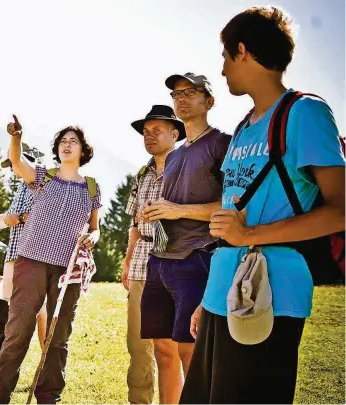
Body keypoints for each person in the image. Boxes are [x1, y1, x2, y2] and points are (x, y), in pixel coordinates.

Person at [180, 7, 345, 404]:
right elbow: (233, 216)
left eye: (224, 57)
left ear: (242, 51)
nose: (221, 69)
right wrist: (208, 299)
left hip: (271, 295)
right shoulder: (244, 125)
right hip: (223, 290)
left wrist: (250, 235)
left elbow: (341, 209)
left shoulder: (305, 112)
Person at [0, 115, 102, 404]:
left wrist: (94, 237)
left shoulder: (92, 187)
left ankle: (48, 395)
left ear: (83, 150)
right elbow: (17, 164)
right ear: (57, 148)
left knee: (58, 333)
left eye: (73, 141)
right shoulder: (44, 176)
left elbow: (95, 227)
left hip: (68, 268)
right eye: (63, 141)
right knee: (18, 329)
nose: (67, 145)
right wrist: (16, 138)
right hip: (32, 260)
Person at [140, 73, 231, 403]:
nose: (181, 97)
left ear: (209, 101)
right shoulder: (175, 155)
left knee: (191, 354)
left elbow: (232, 206)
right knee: (162, 352)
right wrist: (157, 213)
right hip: (160, 262)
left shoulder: (223, 144)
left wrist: (177, 210)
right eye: (176, 93)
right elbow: (172, 207)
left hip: (197, 259)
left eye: (191, 92)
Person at [122, 105, 184, 404]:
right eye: (146, 132)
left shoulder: (187, 169)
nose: (150, 136)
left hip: (175, 260)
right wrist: (127, 259)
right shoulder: (142, 173)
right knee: (137, 343)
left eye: (156, 130)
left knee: (170, 346)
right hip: (140, 262)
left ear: (175, 134)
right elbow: (134, 223)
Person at [0, 146, 47, 350]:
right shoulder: (21, 188)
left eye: (14, 165)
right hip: (12, 257)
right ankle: (4, 363)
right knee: (8, 311)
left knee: (41, 311)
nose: (12, 171)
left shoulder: (42, 184)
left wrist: (22, 217)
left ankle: (45, 362)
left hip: (33, 257)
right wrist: (8, 220)